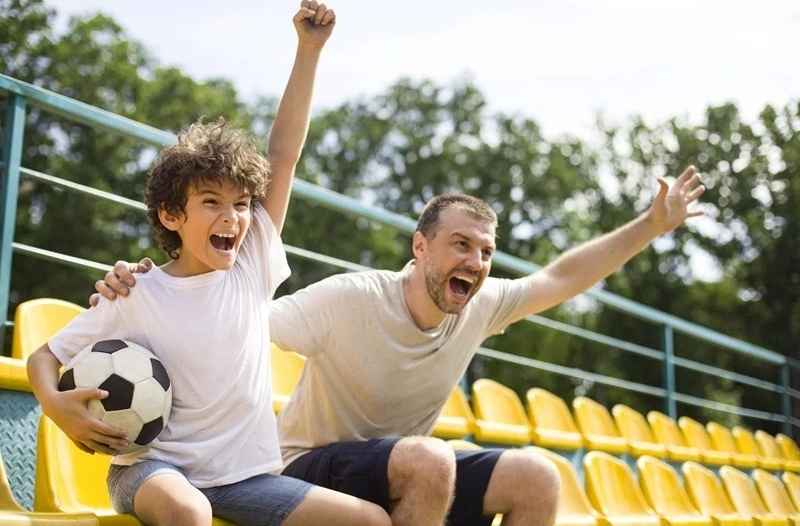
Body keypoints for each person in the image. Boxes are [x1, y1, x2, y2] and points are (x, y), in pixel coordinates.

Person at [96, 158, 705, 525]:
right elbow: (233, 323)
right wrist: (151, 285)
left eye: (486, 252)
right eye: (461, 245)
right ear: (420, 247)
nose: (476, 261)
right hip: (308, 467)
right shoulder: (350, 298)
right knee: (428, 459)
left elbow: (563, 278)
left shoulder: (482, 303)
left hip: (409, 472)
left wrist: (652, 224)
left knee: (537, 477)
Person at [28, 0, 390, 526]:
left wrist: (309, 50)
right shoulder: (135, 292)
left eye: (241, 204)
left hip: (244, 480)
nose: (232, 217)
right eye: (211, 202)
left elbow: (283, 154)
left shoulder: (252, 263)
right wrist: (54, 404)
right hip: (152, 473)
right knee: (188, 509)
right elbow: (45, 355)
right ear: (171, 214)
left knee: (372, 520)